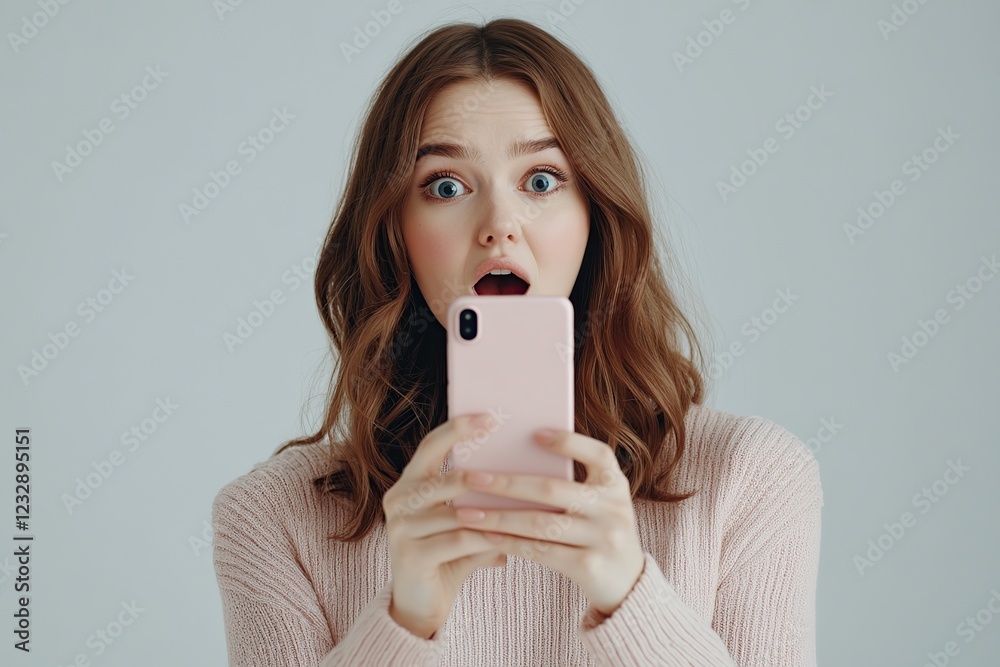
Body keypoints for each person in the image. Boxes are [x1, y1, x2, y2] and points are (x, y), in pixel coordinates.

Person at [211, 17, 823, 666]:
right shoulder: (272, 518)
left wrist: (630, 595)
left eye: (540, 180)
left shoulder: (749, 479)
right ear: (394, 229)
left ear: (595, 214)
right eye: (446, 186)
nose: (500, 226)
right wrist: (403, 622)